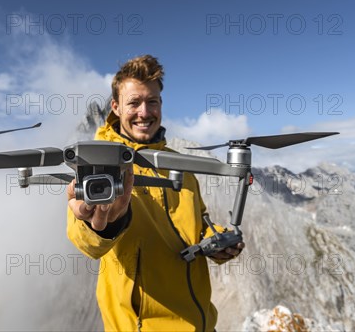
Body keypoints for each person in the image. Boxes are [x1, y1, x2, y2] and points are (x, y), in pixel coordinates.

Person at [67, 55, 244, 331]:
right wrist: (102, 226)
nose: (144, 112)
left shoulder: (180, 165)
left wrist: (216, 241)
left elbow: (199, 221)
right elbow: (86, 242)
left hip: (202, 324)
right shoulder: (97, 160)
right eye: (134, 102)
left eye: (152, 101)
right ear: (116, 107)